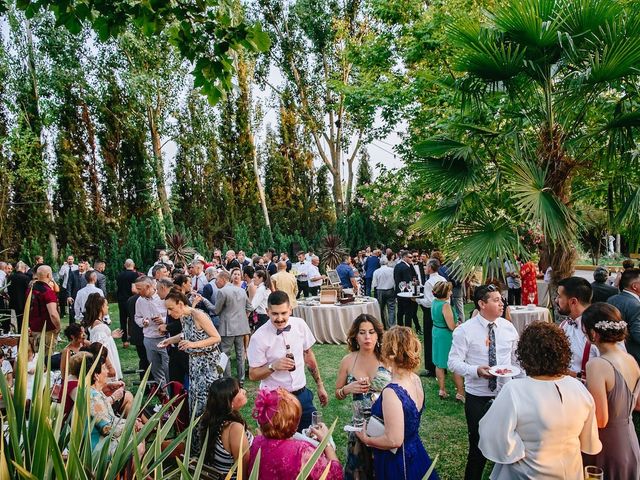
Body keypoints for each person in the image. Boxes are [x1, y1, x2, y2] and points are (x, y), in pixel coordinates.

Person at [478, 322, 601, 479]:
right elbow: (588, 440)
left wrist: (519, 450)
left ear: (526, 355)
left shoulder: (515, 390)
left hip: (527, 472)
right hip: (570, 471)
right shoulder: (579, 388)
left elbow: (493, 435)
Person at [448, 284, 520, 480]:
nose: (502, 304)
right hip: (478, 396)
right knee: (477, 446)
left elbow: (516, 360)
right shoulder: (465, 330)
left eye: (501, 299)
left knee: (507, 444)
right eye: (496, 300)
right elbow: (453, 362)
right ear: (481, 304)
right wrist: (475, 371)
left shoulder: (508, 327)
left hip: (506, 394)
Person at [355, 326, 439, 479]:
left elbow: (394, 440)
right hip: (415, 450)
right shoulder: (415, 379)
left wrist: (366, 439)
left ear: (389, 353)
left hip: (397, 461)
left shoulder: (391, 392)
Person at [248, 290, 329, 431]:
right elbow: (253, 375)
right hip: (275, 400)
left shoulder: (300, 325)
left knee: (312, 438)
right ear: (267, 312)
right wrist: (273, 366)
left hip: (302, 396)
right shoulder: (258, 337)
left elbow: (308, 355)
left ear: (290, 310)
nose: (280, 318)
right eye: (275, 314)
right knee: (278, 445)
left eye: (283, 313)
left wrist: (320, 385)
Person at [159, 288, 223, 453]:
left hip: (208, 366)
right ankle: (196, 447)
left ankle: (211, 446)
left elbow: (216, 337)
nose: (169, 312)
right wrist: (169, 341)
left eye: (171, 308)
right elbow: (185, 335)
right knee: (194, 405)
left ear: (181, 303)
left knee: (206, 405)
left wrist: (193, 345)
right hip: (195, 364)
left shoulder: (198, 315)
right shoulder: (184, 317)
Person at [582, 303, 640, 478]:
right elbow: (637, 405)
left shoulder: (597, 365)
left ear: (593, 333)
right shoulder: (631, 360)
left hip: (606, 444)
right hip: (630, 441)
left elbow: (600, 419)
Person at [335, 314, 390, 479]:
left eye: (372, 332)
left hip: (385, 424)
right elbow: (338, 394)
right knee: (359, 471)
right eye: (362, 332)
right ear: (355, 336)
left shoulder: (387, 359)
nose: (367, 337)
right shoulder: (348, 360)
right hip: (359, 427)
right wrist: (347, 389)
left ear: (378, 335)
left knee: (383, 471)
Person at [248, 388, 343, 479]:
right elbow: (335, 475)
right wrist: (326, 443)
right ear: (295, 426)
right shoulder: (303, 451)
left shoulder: (256, 443)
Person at [89, 354, 145, 457]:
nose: (107, 372)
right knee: (138, 445)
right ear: (96, 375)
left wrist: (131, 422)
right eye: (104, 369)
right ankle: (134, 472)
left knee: (139, 433)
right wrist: (130, 425)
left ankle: (139, 471)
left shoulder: (97, 392)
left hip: (104, 439)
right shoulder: (93, 398)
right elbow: (106, 428)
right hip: (98, 447)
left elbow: (111, 419)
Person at [200, 378, 253, 478]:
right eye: (239, 390)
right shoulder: (234, 429)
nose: (244, 391)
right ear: (229, 401)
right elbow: (243, 471)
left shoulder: (212, 420)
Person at [556, 277, 599, 378]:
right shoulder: (564, 325)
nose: (556, 300)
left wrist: (573, 374)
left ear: (573, 302)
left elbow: (611, 372)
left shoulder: (598, 330)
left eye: (559, 296)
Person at [214, 271, 252, 384]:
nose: (216, 282)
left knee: (225, 354)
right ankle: (241, 380)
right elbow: (250, 307)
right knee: (240, 354)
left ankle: (228, 381)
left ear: (222, 279)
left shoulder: (222, 292)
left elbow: (216, 310)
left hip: (227, 328)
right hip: (241, 327)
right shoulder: (241, 290)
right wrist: (244, 317)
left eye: (217, 279)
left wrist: (205, 302)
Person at [430, 281, 464, 402]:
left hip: (436, 331)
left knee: (439, 363)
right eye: (449, 290)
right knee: (453, 363)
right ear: (445, 292)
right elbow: (451, 326)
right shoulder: (445, 305)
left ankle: (442, 389)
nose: (451, 292)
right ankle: (460, 392)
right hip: (445, 335)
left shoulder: (434, 302)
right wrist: (459, 325)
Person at [134, 276, 170, 387]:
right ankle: (164, 395)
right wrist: (142, 322)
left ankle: (173, 393)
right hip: (149, 337)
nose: (137, 291)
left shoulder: (162, 297)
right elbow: (137, 317)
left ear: (148, 286)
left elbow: (173, 315)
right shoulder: (139, 301)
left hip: (165, 337)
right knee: (155, 370)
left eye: (140, 289)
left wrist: (163, 320)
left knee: (168, 368)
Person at [84, 293, 124, 380]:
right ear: (101, 307)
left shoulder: (96, 324)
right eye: (106, 305)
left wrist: (110, 336)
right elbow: (100, 348)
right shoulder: (99, 327)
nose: (108, 307)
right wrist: (110, 367)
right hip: (108, 359)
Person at [416, 259, 445, 376]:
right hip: (442, 310)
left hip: (431, 311)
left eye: (426, 266)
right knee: (439, 339)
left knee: (429, 339)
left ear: (430, 268)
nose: (425, 268)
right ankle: (442, 365)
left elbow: (428, 302)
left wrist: (416, 300)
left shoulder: (429, 282)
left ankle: (430, 368)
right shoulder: (442, 279)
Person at [607, 268, 640, 364]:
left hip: (612, 352)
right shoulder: (636, 306)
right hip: (633, 355)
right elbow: (637, 334)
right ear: (635, 286)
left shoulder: (611, 299)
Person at [28, 265, 61, 354]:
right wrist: (58, 327)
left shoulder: (30, 289)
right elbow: (53, 313)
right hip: (47, 330)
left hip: (34, 329)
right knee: (46, 359)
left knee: (35, 357)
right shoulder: (48, 292)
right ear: (48, 275)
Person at [116, 259, 140, 348]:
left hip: (121, 299)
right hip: (130, 300)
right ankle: (134, 338)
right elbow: (133, 289)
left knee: (123, 320)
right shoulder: (134, 274)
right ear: (133, 265)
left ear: (125, 265)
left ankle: (124, 340)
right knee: (133, 319)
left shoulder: (119, 275)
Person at [372, 255, 396, 328]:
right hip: (390, 290)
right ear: (387, 262)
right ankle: (392, 325)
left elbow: (374, 284)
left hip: (380, 291)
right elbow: (395, 281)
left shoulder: (376, 271)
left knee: (381, 309)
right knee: (391, 308)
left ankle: (384, 325)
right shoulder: (392, 270)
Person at [394, 251, 416, 328]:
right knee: (408, 313)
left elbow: (396, 279)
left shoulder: (397, 266)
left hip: (399, 292)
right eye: (409, 257)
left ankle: (399, 327)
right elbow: (408, 282)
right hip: (406, 293)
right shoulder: (406, 268)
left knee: (400, 311)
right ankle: (407, 329)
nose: (411, 259)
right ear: (404, 257)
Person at [7, 261, 31, 331]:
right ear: (23, 268)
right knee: (23, 320)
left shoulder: (10, 277)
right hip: (23, 302)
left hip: (13, 301)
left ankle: (15, 331)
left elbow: (8, 289)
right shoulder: (26, 278)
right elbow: (28, 291)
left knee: (15, 319)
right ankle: (22, 333)